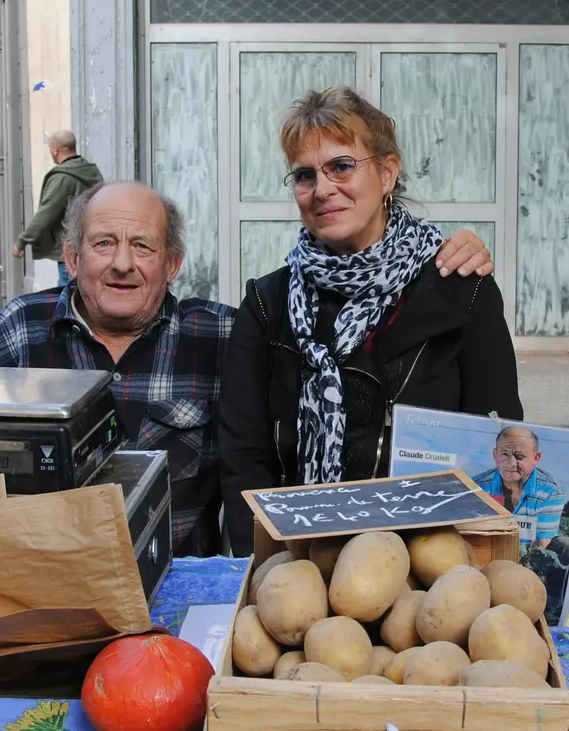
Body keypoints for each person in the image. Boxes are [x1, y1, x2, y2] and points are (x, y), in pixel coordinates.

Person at [0, 180, 495, 556]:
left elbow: (336, 347)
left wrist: (442, 252)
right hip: (43, 581)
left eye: (143, 247)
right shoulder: (20, 331)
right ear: (72, 257)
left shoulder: (223, 335)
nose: (123, 263)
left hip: (175, 591)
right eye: (104, 244)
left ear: (172, 264)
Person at [217, 87, 523, 554]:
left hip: (428, 564)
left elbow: (494, 439)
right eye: (304, 175)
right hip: (297, 564)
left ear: (387, 172)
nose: (322, 190)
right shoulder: (268, 304)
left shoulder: (461, 289)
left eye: (341, 166)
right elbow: (244, 460)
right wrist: (255, 570)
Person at [15, 130, 102, 291]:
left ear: (55, 149)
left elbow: (46, 213)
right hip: (91, 244)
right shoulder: (91, 172)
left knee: (66, 293)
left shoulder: (63, 177)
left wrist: (22, 241)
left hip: (70, 247)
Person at [471, 424, 567, 545]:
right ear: (495, 455)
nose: (511, 463)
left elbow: (543, 544)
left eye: (519, 456)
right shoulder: (475, 487)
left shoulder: (550, 490)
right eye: (505, 454)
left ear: (536, 458)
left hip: (529, 558)